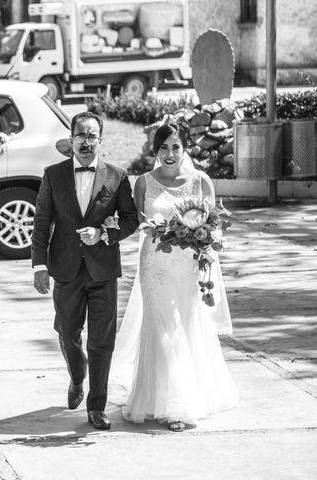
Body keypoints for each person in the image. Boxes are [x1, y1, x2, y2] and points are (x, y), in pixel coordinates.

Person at [110, 123, 238, 432]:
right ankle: (161, 400)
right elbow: (139, 223)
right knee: (159, 325)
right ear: (156, 151)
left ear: (186, 149)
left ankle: (183, 400)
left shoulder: (200, 181)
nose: (170, 154)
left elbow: (210, 229)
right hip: (154, 263)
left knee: (184, 324)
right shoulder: (142, 183)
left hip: (187, 265)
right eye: (164, 147)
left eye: (176, 147)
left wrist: (206, 264)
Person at [32, 111, 139, 430]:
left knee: (102, 341)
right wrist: (40, 265)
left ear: (100, 141)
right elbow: (41, 223)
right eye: (81, 135)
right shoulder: (53, 175)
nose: (86, 141)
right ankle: (77, 378)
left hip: (103, 269)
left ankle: (97, 406)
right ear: (72, 138)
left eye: (92, 136)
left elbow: (131, 219)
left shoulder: (117, 175)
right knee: (67, 332)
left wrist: (104, 234)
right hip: (64, 268)